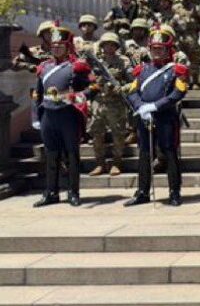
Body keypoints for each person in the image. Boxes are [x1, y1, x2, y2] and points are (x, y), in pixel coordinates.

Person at [124, 27, 189, 207]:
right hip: (144, 117)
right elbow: (132, 92)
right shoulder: (142, 70)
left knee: (169, 153)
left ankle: (174, 192)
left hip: (166, 117)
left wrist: (155, 106)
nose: (157, 52)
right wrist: (141, 106)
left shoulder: (176, 70)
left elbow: (178, 92)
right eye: (154, 48)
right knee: (145, 154)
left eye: (161, 48)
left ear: (168, 49)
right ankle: (142, 192)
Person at [31, 25, 92, 207]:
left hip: (68, 115)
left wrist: (75, 97)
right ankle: (51, 192)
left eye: (60, 45)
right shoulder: (44, 68)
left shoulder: (77, 67)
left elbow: (93, 88)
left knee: (72, 155)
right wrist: (36, 116)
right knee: (51, 155)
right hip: (48, 115)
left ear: (67, 47)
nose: (56, 48)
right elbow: (37, 93)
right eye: (54, 45)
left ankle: (73, 192)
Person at [87, 32, 132, 177]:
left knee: (118, 134)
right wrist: (94, 81)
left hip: (116, 103)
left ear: (116, 46)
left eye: (112, 44)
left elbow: (133, 81)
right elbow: (87, 78)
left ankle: (116, 163)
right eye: (106, 44)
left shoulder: (124, 61)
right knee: (96, 133)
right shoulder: (95, 62)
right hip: (98, 102)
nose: (109, 47)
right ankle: (100, 163)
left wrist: (122, 88)